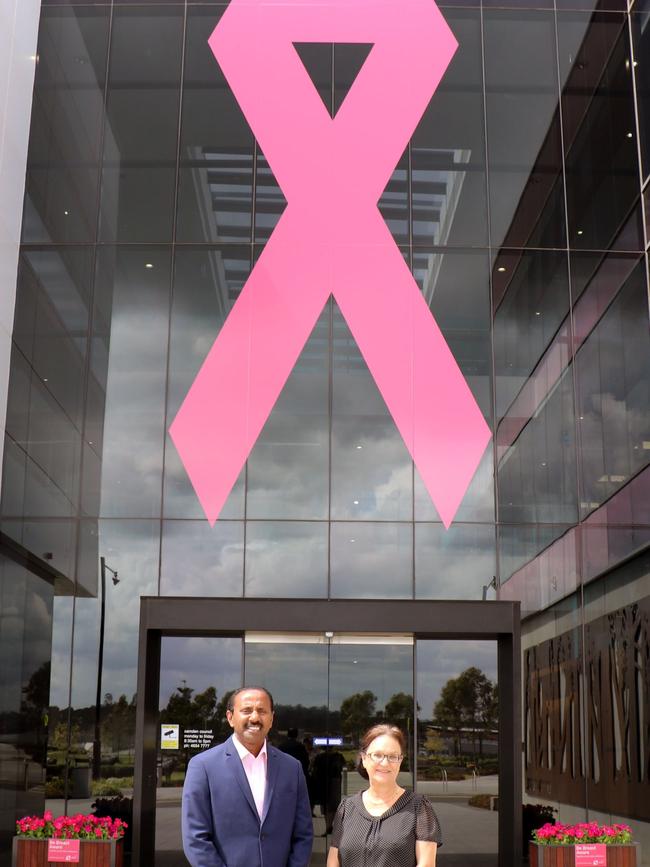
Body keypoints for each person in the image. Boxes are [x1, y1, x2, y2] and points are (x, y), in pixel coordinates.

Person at [182, 686, 313, 867]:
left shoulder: (292, 768)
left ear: (271, 718)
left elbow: (303, 834)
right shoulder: (203, 766)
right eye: (246, 711)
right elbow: (195, 838)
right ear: (230, 717)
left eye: (262, 711)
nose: (254, 717)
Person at [326, 723, 441, 867]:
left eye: (393, 756)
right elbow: (333, 862)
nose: (385, 763)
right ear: (364, 759)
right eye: (377, 755)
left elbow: (426, 864)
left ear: (400, 761)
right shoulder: (346, 808)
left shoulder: (418, 808)